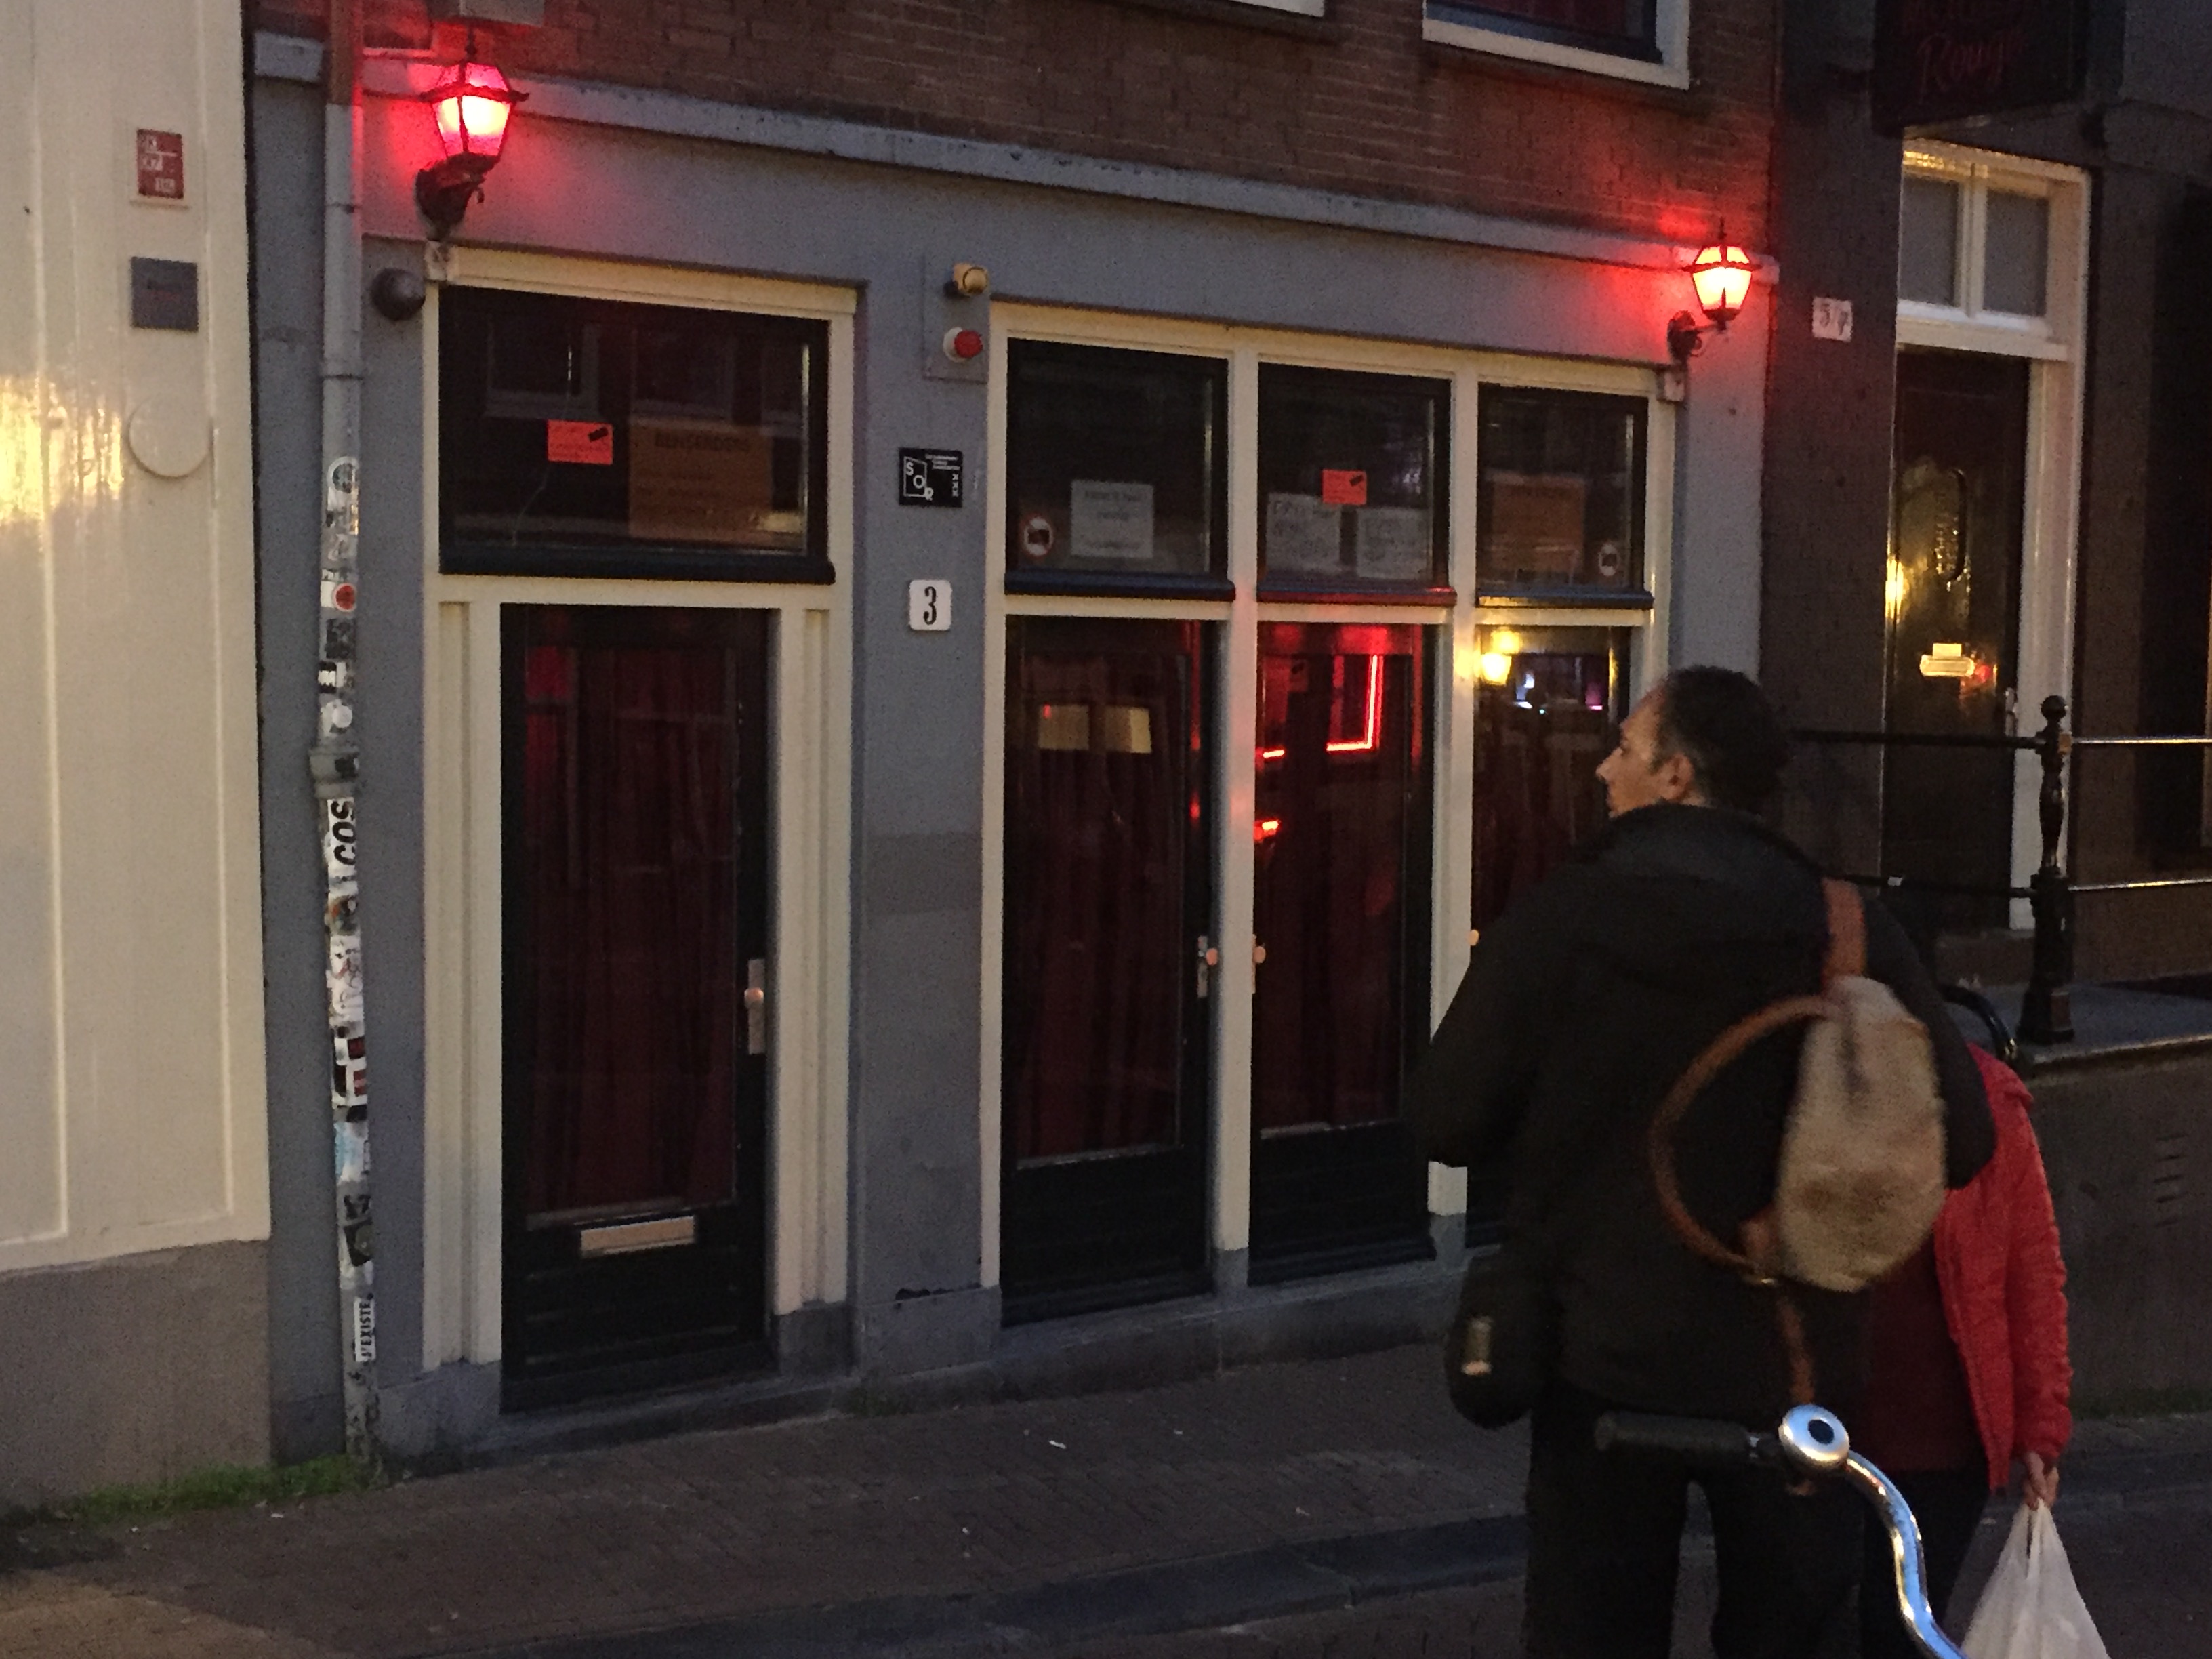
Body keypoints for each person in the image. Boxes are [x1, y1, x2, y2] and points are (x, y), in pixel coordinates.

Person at [1406, 665, 1996, 1659]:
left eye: (1625, 748)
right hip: (1794, 1368)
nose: (1604, 770)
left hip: (1604, 1364)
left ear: (1677, 775)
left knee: (1594, 1635)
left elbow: (1446, 1121)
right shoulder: (1845, 928)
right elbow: (1966, 1141)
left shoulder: (1564, 919)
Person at [1856, 1042, 2072, 1657]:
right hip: (1832, 1424)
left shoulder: (1986, 1098)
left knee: (1898, 1630)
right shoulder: (1810, 1070)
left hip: (1942, 1441)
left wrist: (2041, 1426)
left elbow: (2031, 1272)